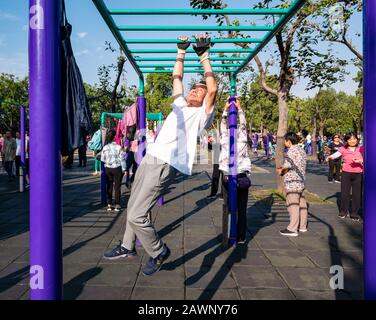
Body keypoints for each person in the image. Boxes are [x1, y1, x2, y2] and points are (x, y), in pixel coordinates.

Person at [103, 33, 217, 276]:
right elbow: (177, 77)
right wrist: (181, 51)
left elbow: (213, 87)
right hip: (151, 159)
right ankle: (127, 245)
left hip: (165, 164)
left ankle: (158, 250)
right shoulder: (180, 105)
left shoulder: (203, 115)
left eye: (200, 91)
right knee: (132, 204)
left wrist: (204, 56)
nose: (195, 92)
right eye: (194, 90)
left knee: (136, 214)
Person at [219, 97, 251, 244]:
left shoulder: (225, 138)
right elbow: (243, 125)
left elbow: (222, 126)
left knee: (228, 206)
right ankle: (241, 236)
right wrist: (240, 110)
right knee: (242, 209)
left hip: (228, 174)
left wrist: (225, 111)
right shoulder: (242, 138)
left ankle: (227, 234)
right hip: (241, 174)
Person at [327, 133, 363, 221]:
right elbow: (336, 154)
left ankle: (354, 213)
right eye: (350, 139)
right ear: (346, 141)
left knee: (357, 195)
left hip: (359, 174)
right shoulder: (343, 148)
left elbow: (367, 158)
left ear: (357, 139)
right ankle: (343, 212)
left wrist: (360, 160)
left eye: (354, 139)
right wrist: (330, 157)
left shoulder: (361, 148)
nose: (352, 141)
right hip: (346, 173)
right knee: (344, 194)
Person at [277, 132, 308, 237]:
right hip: (301, 181)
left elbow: (287, 165)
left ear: (288, 141)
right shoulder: (302, 150)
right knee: (302, 204)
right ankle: (302, 226)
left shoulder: (291, 151)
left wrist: (281, 170)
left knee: (293, 205)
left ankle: (292, 228)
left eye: (285, 141)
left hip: (292, 182)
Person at [101, 129, 126, 212]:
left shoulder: (105, 147)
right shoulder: (119, 147)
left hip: (108, 168)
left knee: (109, 185)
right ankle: (117, 204)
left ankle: (109, 204)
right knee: (117, 187)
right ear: (115, 137)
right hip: (117, 168)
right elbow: (122, 159)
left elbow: (102, 159)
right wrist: (124, 169)